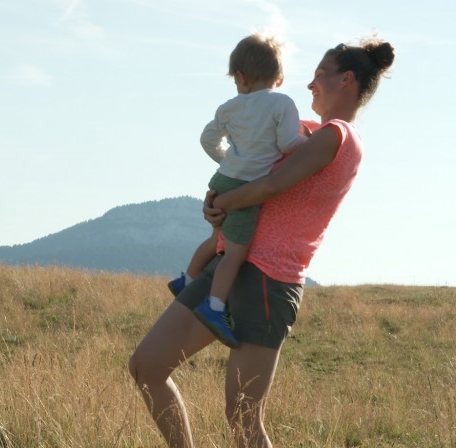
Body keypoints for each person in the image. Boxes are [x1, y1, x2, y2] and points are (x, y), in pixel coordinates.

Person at [129, 36, 395, 448]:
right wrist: (216, 202)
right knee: (146, 366)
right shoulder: (297, 129)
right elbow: (243, 160)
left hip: (269, 278)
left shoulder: (338, 137)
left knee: (243, 417)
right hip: (228, 262)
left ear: (347, 80)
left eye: (319, 75)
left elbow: (272, 184)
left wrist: (224, 202)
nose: (309, 85)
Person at [167, 33, 307, 348]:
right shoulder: (281, 103)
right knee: (235, 254)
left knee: (216, 238)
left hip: (222, 180)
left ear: (240, 78)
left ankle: (187, 279)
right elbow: (287, 144)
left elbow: (207, 140)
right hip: (247, 187)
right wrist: (307, 140)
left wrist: (228, 160)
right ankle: (215, 307)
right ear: (280, 78)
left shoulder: (230, 107)